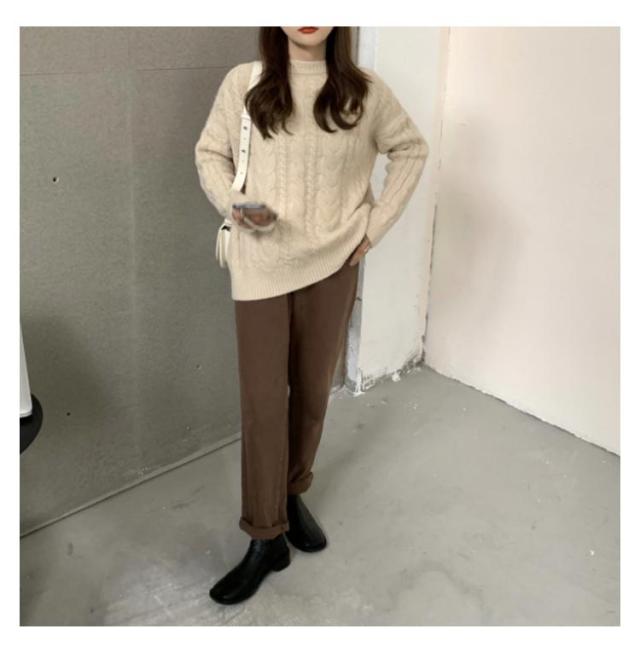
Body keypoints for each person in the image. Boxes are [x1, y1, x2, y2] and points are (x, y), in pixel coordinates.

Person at [194, 26, 429, 605]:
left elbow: (411, 149)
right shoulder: (244, 84)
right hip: (261, 264)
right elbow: (210, 154)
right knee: (263, 403)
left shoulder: (364, 92)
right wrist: (246, 212)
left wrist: (373, 228)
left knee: (313, 393)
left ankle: (292, 493)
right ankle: (264, 536)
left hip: (333, 264)